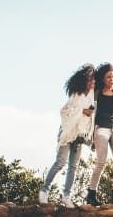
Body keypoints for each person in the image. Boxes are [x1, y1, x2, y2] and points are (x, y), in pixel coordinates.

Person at [39, 64, 96, 207]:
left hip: (79, 135)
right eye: (91, 80)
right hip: (67, 132)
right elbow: (65, 112)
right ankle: (44, 190)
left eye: (94, 80)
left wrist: (88, 113)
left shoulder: (91, 95)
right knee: (60, 162)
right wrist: (83, 111)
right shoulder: (76, 94)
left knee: (73, 167)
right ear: (85, 81)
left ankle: (66, 196)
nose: (93, 83)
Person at [85, 63, 113, 206]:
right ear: (103, 79)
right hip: (101, 130)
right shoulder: (97, 94)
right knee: (101, 162)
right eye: (108, 77)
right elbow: (91, 109)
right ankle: (91, 193)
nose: (111, 79)